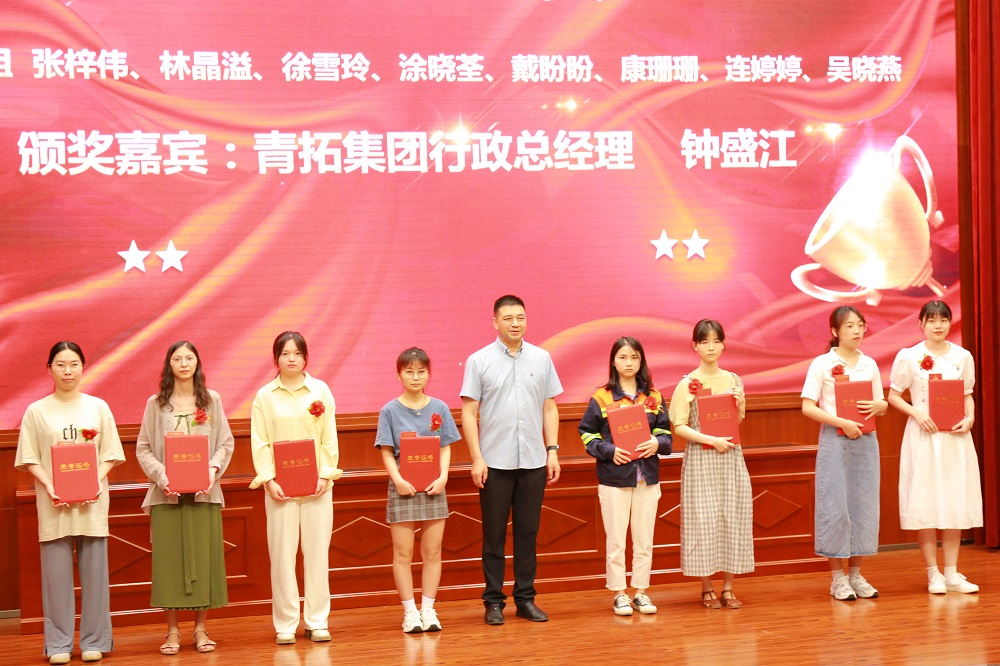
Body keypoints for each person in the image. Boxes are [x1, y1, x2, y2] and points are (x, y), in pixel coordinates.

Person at [14, 342, 125, 665]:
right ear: (49, 368)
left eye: (74, 364)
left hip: (92, 502)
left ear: (82, 367)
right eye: (60, 364)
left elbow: (110, 454)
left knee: (95, 576)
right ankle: (58, 643)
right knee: (56, 578)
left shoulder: (98, 407)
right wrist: (49, 485)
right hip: (54, 504)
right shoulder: (36, 411)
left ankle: (95, 640)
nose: (67, 371)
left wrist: (94, 481)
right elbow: (29, 458)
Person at [460, 295, 562, 625]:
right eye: (508, 318)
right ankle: (493, 601)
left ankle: (525, 599)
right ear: (495, 322)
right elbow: (469, 412)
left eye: (520, 317)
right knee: (493, 537)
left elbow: (549, 407)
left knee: (528, 533)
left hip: (534, 460)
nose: (515, 323)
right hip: (494, 463)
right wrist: (477, 458)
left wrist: (552, 450)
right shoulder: (479, 360)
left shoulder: (542, 358)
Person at [135, 341, 235, 654]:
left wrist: (212, 469)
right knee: (169, 564)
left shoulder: (212, 400)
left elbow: (225, 443)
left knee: (204, 561)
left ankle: (201, 629)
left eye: (189, 357)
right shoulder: (156, 404)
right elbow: (143, 449)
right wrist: (163, 477)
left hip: (205, 494)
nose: (183, 363)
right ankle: (172, 631)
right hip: (167, 496)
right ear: (169, 365)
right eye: (177, 358)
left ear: (197, 363)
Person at [250, 331, 342, 645]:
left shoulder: (320, 390)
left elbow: (329, 437)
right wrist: (269, 479)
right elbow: (260, 442)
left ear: (305, 357)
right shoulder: (265, 396)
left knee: (317, 556)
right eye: (285, 353)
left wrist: (325, 475)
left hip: (317, 487)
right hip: (280, 489)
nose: (292, 358)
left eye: (297, 353)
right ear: (276, 358)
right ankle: (286, 623)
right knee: (282, 556)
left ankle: (317, 621)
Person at [887, 300, 982, 594]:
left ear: (950, 323)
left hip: (954, 438)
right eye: (931, 320)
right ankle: (933, 574)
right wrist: (917, 413)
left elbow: (967, 394)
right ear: (921, 324)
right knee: (925, 502)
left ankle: (952, 573)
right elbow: (894, 396)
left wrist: (970, 419)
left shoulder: (962, 356)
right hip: (924, 437)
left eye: (943, 319)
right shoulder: (910, 356)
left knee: (954, 501)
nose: (938, 325)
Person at [578, 336, 672, 616]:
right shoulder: (602, 397)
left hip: (647, 478)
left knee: (644, 539)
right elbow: (587, 434)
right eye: (623, 357)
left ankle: (641, 592)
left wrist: (657, 443)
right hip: (614, 479)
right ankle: (619, 593)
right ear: (613, 361)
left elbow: (666, 434)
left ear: (641, 361)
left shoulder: (654, 396)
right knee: (616, 540)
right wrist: (609, 451)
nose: (629, 363)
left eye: (634, 357)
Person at [801, 306, 888, 601]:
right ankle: (837, 579)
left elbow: (880, 402)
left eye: (860, 325)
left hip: (865, 440)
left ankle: (856, 575)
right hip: (835, 439)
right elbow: (808, 406)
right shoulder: (822, 364)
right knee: (835, 506)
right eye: (849, 326)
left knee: (863, 505)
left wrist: (881, 406)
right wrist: (841, 422)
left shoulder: (869, 364)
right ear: (835, 331)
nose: (857, 331)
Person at [668, 320, 753, 609]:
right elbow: (679, 426)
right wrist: (710, 440)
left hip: (730, 457)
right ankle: (706, 587)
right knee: (702, 522)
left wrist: (738, 404)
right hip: (701, 458)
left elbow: (735, 422)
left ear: (724, 344)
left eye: (716, 341)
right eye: (704, 342)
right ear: (695, 346)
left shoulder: (733, 380)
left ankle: (728, 587)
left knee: (733, 517)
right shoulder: (686, 383)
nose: (711, 347)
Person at [375, 348, 460, 633]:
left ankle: (428, 609)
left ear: (428, 374)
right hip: (402, 486)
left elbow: (445, 446)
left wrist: (444, 477)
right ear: (398, 375)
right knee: (403, 553)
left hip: (434, 485)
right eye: (409, 371)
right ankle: (410, 612)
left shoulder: (440, 408)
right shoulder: (389, 410)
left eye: (421, 371)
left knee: (432, 551)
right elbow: (387, 451)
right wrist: (398, 479)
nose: (415, 377)